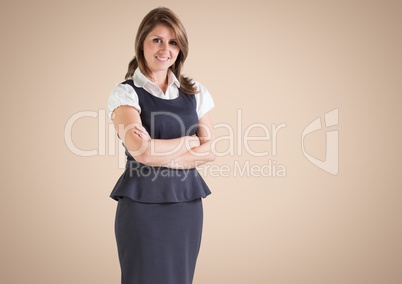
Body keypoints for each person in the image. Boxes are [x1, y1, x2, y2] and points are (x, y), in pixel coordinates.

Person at [107, 7, 216, 284]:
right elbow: (141, 151)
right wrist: (189, 142)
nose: (164, 49)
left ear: (180, 48)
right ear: (142, 43)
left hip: (186, 206)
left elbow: (211, 150)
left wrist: (160, 153)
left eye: (173, 42)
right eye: (156, 40)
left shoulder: (196, 92)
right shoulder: (126, 93)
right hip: (142, 206)